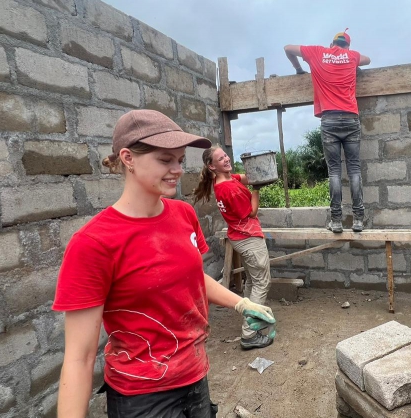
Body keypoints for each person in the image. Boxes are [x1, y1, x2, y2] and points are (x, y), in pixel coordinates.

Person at [53, 109, 276, 418]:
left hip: (194, 376)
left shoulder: (183, 215)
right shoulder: (93, 243)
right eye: (165, 160)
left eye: (180, 160)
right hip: (141, 397)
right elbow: (80, 357)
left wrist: (241, 304)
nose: (177, 170)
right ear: (128, 158)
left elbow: (194, 276)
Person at [284, 29, 371, 233]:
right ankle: (358, 219)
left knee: (334, 172)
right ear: (347, 46)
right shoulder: (352, 56)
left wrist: (298, 68)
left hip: (329, 119)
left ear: (332, 44)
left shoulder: (316, 52)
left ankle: (337, 221)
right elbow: (368, 60)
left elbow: (287, 48)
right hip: (350, 117)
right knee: (354, 170)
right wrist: (349, 57)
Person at [193, 145, 274, 349]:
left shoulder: (227, 181)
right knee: (262, 282)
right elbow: (252, 212)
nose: (227, 159)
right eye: (221, 159)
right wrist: (257, 188)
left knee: (251, 282)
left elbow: (245, 177)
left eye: (226, 155)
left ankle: (251, 317)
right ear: (212, 166)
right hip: (248, 237)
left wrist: (258, 172)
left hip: (239, 236)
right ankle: (249, 334)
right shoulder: (228, 189)